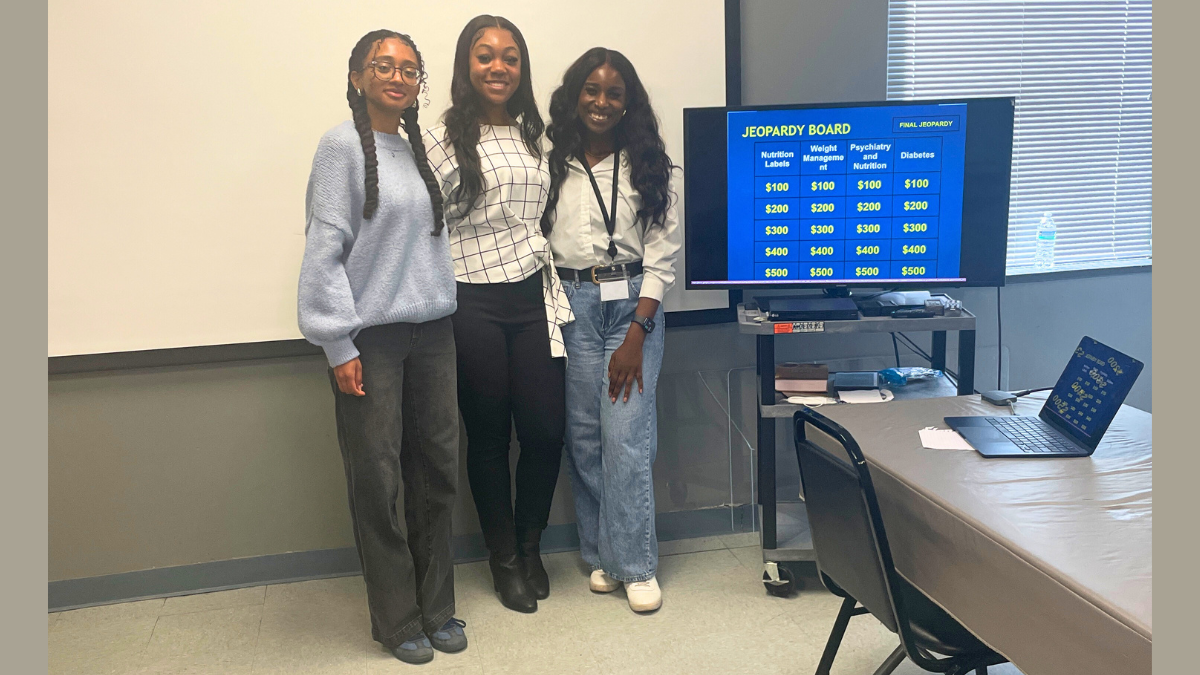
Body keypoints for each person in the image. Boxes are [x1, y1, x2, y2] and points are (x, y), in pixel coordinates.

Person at [297, 30, 467, 664]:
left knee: (438, 473)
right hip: (372, 340)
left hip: (435, 336)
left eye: (409, 68)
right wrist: (337, 342)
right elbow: (324, 250)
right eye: (383, 66)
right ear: (357, 77)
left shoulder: (416, 148)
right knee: (379, 478)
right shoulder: (340, 148)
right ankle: (396, 620)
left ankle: (437, 608)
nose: (398, 77)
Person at [423, 15, 573, 614]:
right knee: (488, 436)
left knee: (544, 431)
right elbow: (423, 225)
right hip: (470, 297)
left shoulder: (536, 134)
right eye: (485, 56)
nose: (498, 67)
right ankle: (504, 559)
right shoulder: (437, 140)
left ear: (522, 68)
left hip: (533, 294)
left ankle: (531, 545)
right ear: (466, 66)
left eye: (509, 57)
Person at [542, 47, 681, 613]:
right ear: (576, 95)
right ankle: (602, 554)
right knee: (585, 437)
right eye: (591, 91)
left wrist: (637, 334)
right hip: (573, 305)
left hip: (631, 311)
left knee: (625, 436)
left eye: (614, 93)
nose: (601, 102)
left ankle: (637, 565)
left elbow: (663, 258)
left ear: (629, 102)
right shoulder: (550, 162)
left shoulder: (651, 165)